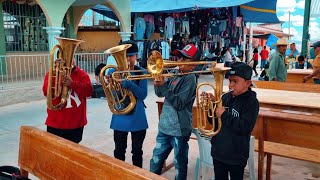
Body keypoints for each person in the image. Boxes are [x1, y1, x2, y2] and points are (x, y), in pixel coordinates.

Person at [150, 44, 200, 179]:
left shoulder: (190, 79)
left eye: (185, 59)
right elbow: (160, 94)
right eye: (179, 58)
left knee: (180, 164)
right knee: (155, 161)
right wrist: (158, 83)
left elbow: (179, 103)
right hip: (165, 127)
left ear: (194, 64)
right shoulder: (174, 73)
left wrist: (165, 88)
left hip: (179, 130)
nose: (179, 62)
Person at [202, 62, 259, 180]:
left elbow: (245, 127)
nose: (230, 85)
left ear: (248, 83)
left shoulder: (251, 102)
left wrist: (224, 114)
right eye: (230, 81)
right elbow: (214, 123)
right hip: (219, 152)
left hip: (236, 156)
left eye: (235, 81)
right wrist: (211, 107)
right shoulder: (225, 97)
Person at [106, 41, 148, 168]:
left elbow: (142, 95)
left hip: (137, 116)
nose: (128, 59)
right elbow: (113, 96)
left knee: (137, 152)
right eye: (126, 56)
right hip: (120, 116)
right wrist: (111, 85)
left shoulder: (141, 72)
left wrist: (130, 84)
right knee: (119, 151)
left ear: (136, 56)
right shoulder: (114, 72)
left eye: (131, 56)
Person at [42, 58, 93, 143]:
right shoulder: (51, 74)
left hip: (76, 124)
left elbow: (89, 91)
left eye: (71, 57)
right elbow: (46, 92)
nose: (69, 60)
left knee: (72, 152)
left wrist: (72, 84)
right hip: (55, 123)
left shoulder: (81, 74)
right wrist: (56, 75)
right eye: (64, 58)